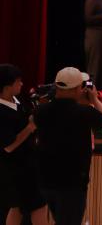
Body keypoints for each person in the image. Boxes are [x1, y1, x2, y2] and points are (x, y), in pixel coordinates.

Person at [33, 67, 102, 225]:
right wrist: (95, 99)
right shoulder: (84, 112)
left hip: (45, 179)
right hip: (72, 182)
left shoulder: (40, 111)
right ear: (78, 88)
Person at [0, 64, 47, 225]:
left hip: (27, 164)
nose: (21, 84)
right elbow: (8, 146)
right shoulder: (1, 111)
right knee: (36, 206)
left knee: (18, 208)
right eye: (18, 81)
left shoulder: (17, 101)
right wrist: (30, 127)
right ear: (7, 86)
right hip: (14, 169)